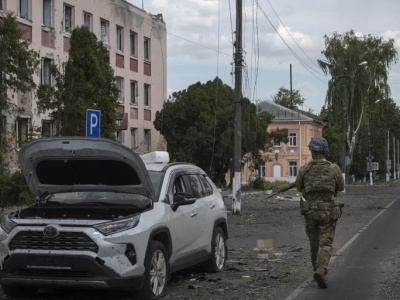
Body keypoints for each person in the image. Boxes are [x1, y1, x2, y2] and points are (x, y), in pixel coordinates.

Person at [295, 137, 344, 289]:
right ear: (325, 150)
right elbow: (341, 187)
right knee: (326, 242)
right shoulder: (333, 168)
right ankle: (321, 269)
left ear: (311, 150)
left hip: (310, 211)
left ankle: (315, 270)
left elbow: (298, 187)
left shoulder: (304, 169)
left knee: (314, 242)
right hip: (328, 211)